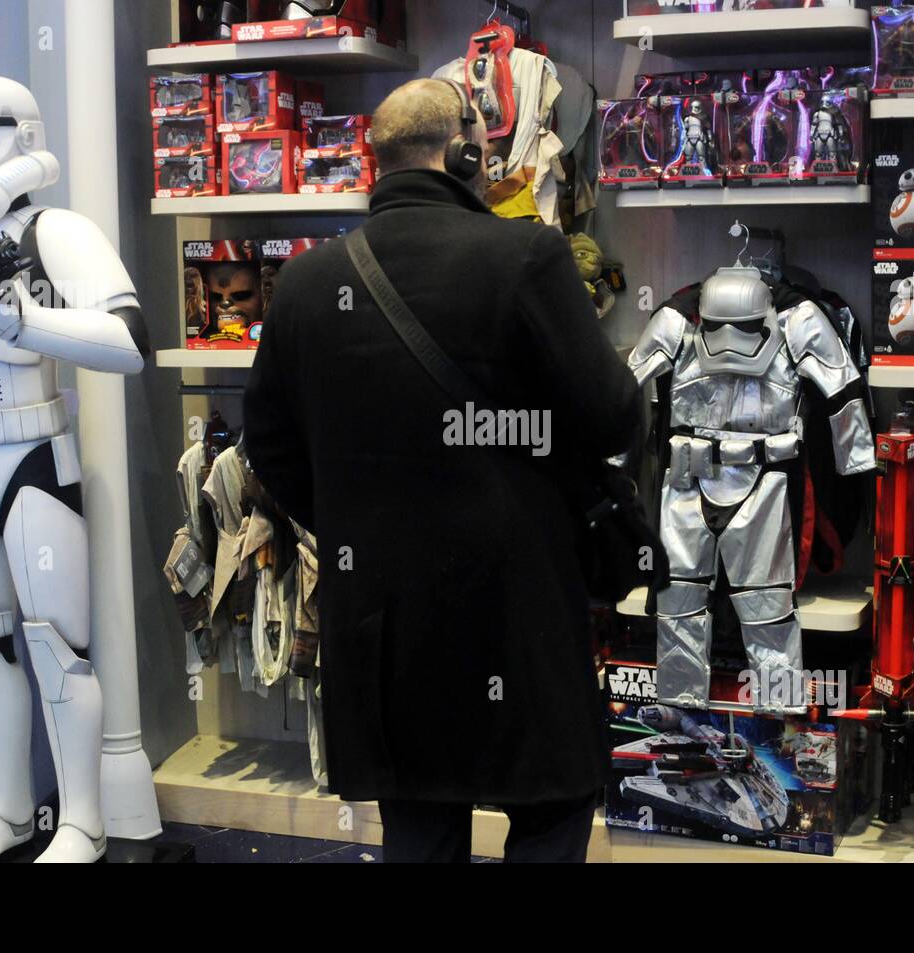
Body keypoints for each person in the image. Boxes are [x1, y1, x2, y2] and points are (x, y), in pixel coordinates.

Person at [243, 79, 643, 863]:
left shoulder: (303, 282)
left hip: (383, 616)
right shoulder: (526, 254)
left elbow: (270, 445)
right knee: (551, 810)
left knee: (420, 824)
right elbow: (614, 417)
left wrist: (356, 523)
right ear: (466, 150)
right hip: (517, 605)